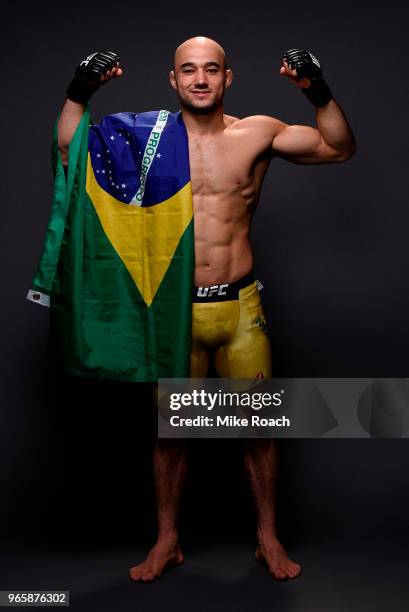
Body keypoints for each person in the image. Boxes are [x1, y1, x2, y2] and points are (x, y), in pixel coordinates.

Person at [57, 37, 356, 582]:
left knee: (259, 431)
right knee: (172, 435)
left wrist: (318, 89)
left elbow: (338, 147)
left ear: (227, 78)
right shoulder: (145, 140)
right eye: (188, 71)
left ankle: (267, 538)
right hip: (176, 313)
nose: (200, 79)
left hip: (241, 309)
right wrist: (80, 93)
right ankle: (167, 540)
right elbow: (71, 151)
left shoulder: (256, 133)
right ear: (173, 81)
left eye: (211, 70)